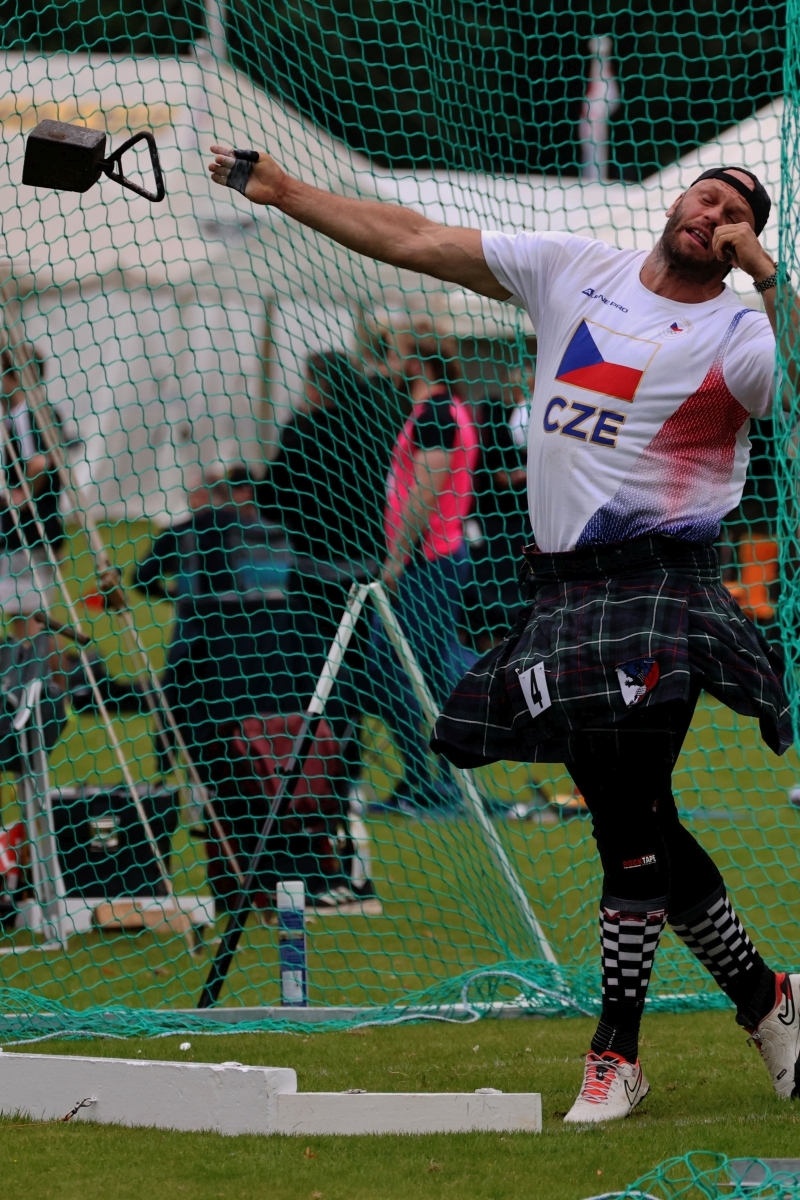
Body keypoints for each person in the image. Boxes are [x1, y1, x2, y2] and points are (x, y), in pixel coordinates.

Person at [209, 145, 799, 1116]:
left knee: (629, 824)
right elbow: (414, 239)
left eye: (737, 213)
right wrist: (281, 192)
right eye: (707, 193)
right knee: (632, 814)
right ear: (676, 203)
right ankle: (764, 998)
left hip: (660, 586)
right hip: (565, 594)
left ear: (740, 247)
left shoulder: (738, 327)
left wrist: (770, 278)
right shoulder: (575, 270)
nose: (715, 212)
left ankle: (615, 1051)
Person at [363, 330, 478, 812]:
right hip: (432, 560)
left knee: (392, 665)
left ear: (417, 363)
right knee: (422, 668)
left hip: (427, 561)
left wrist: (396, 557)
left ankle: (430, 781)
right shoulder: (436, 410)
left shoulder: (436, 413)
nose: (384, 362)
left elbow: (427, 490)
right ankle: (435, 782)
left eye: (392, 354)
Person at [0, 347, 64, 641]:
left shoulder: (31, 413)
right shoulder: (28, 413)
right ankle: (49, 684)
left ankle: (42, 685)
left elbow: (38, 462)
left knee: (30, 623)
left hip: (28, 533)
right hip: (33, 531)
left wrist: (20, 496)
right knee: (33, 620)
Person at [468, 365, 532, 648]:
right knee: (492, 583)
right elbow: (490, 471)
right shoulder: (493, 414)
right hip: (496, 518)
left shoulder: (532, 411)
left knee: (515, 580)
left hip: (521, 520)